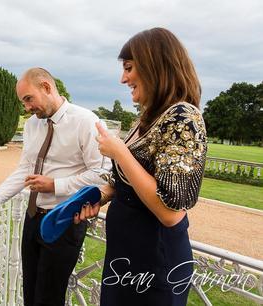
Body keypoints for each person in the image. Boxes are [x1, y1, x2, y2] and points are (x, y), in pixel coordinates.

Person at [75, 27, 207, 305]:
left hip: (156, 259)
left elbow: (171, 213)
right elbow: (128, 182)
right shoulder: (148, 118)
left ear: (154, 65)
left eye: (129, 68)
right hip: (126, 253)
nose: (123, 78)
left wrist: (120, 151)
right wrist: (100, 195)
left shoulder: (183, 116)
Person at [0, 67, 107, 305]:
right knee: (30, 294)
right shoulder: (33, 125)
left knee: (48, 299)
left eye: (28, 99)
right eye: (23, 102)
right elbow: (25, 169)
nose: (26, 107)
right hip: (32, 219)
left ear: (46, 87)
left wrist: (56, 185)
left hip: (65, 221)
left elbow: (102, 174)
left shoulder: (86, 121)